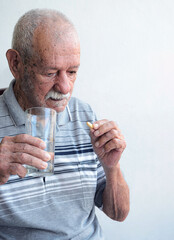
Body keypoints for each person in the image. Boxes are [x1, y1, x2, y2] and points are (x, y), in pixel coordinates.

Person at [0, 9, 129, 240]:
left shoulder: (85, 115)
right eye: (50, 73)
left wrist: (112, 168)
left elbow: (118, 213)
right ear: (16, 63)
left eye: (72, 72)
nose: (65, 87)